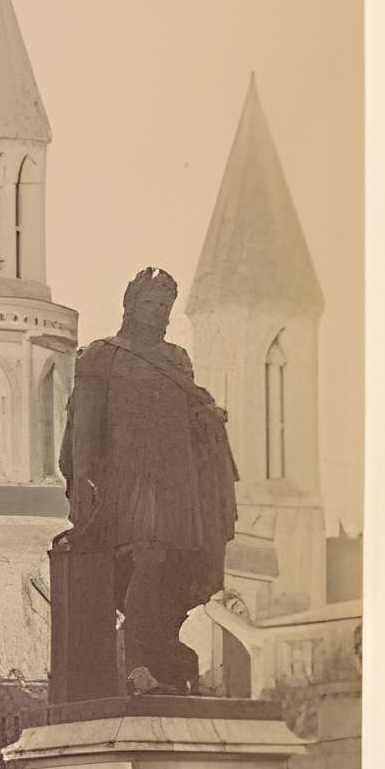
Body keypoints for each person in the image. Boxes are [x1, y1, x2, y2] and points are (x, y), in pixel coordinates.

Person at [56, 267, 241, 695]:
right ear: (130, 305)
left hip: (178, 486)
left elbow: (190, 414)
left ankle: (165, 656)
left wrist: (207, 418)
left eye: (165, 306)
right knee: (147, 558)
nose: (158, 313)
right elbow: (84, 425)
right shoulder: (103, 355)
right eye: (150, 305)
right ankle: (139, 662)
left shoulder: (177, 359)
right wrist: (83, 479)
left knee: (177, 567)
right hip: (129, 482)